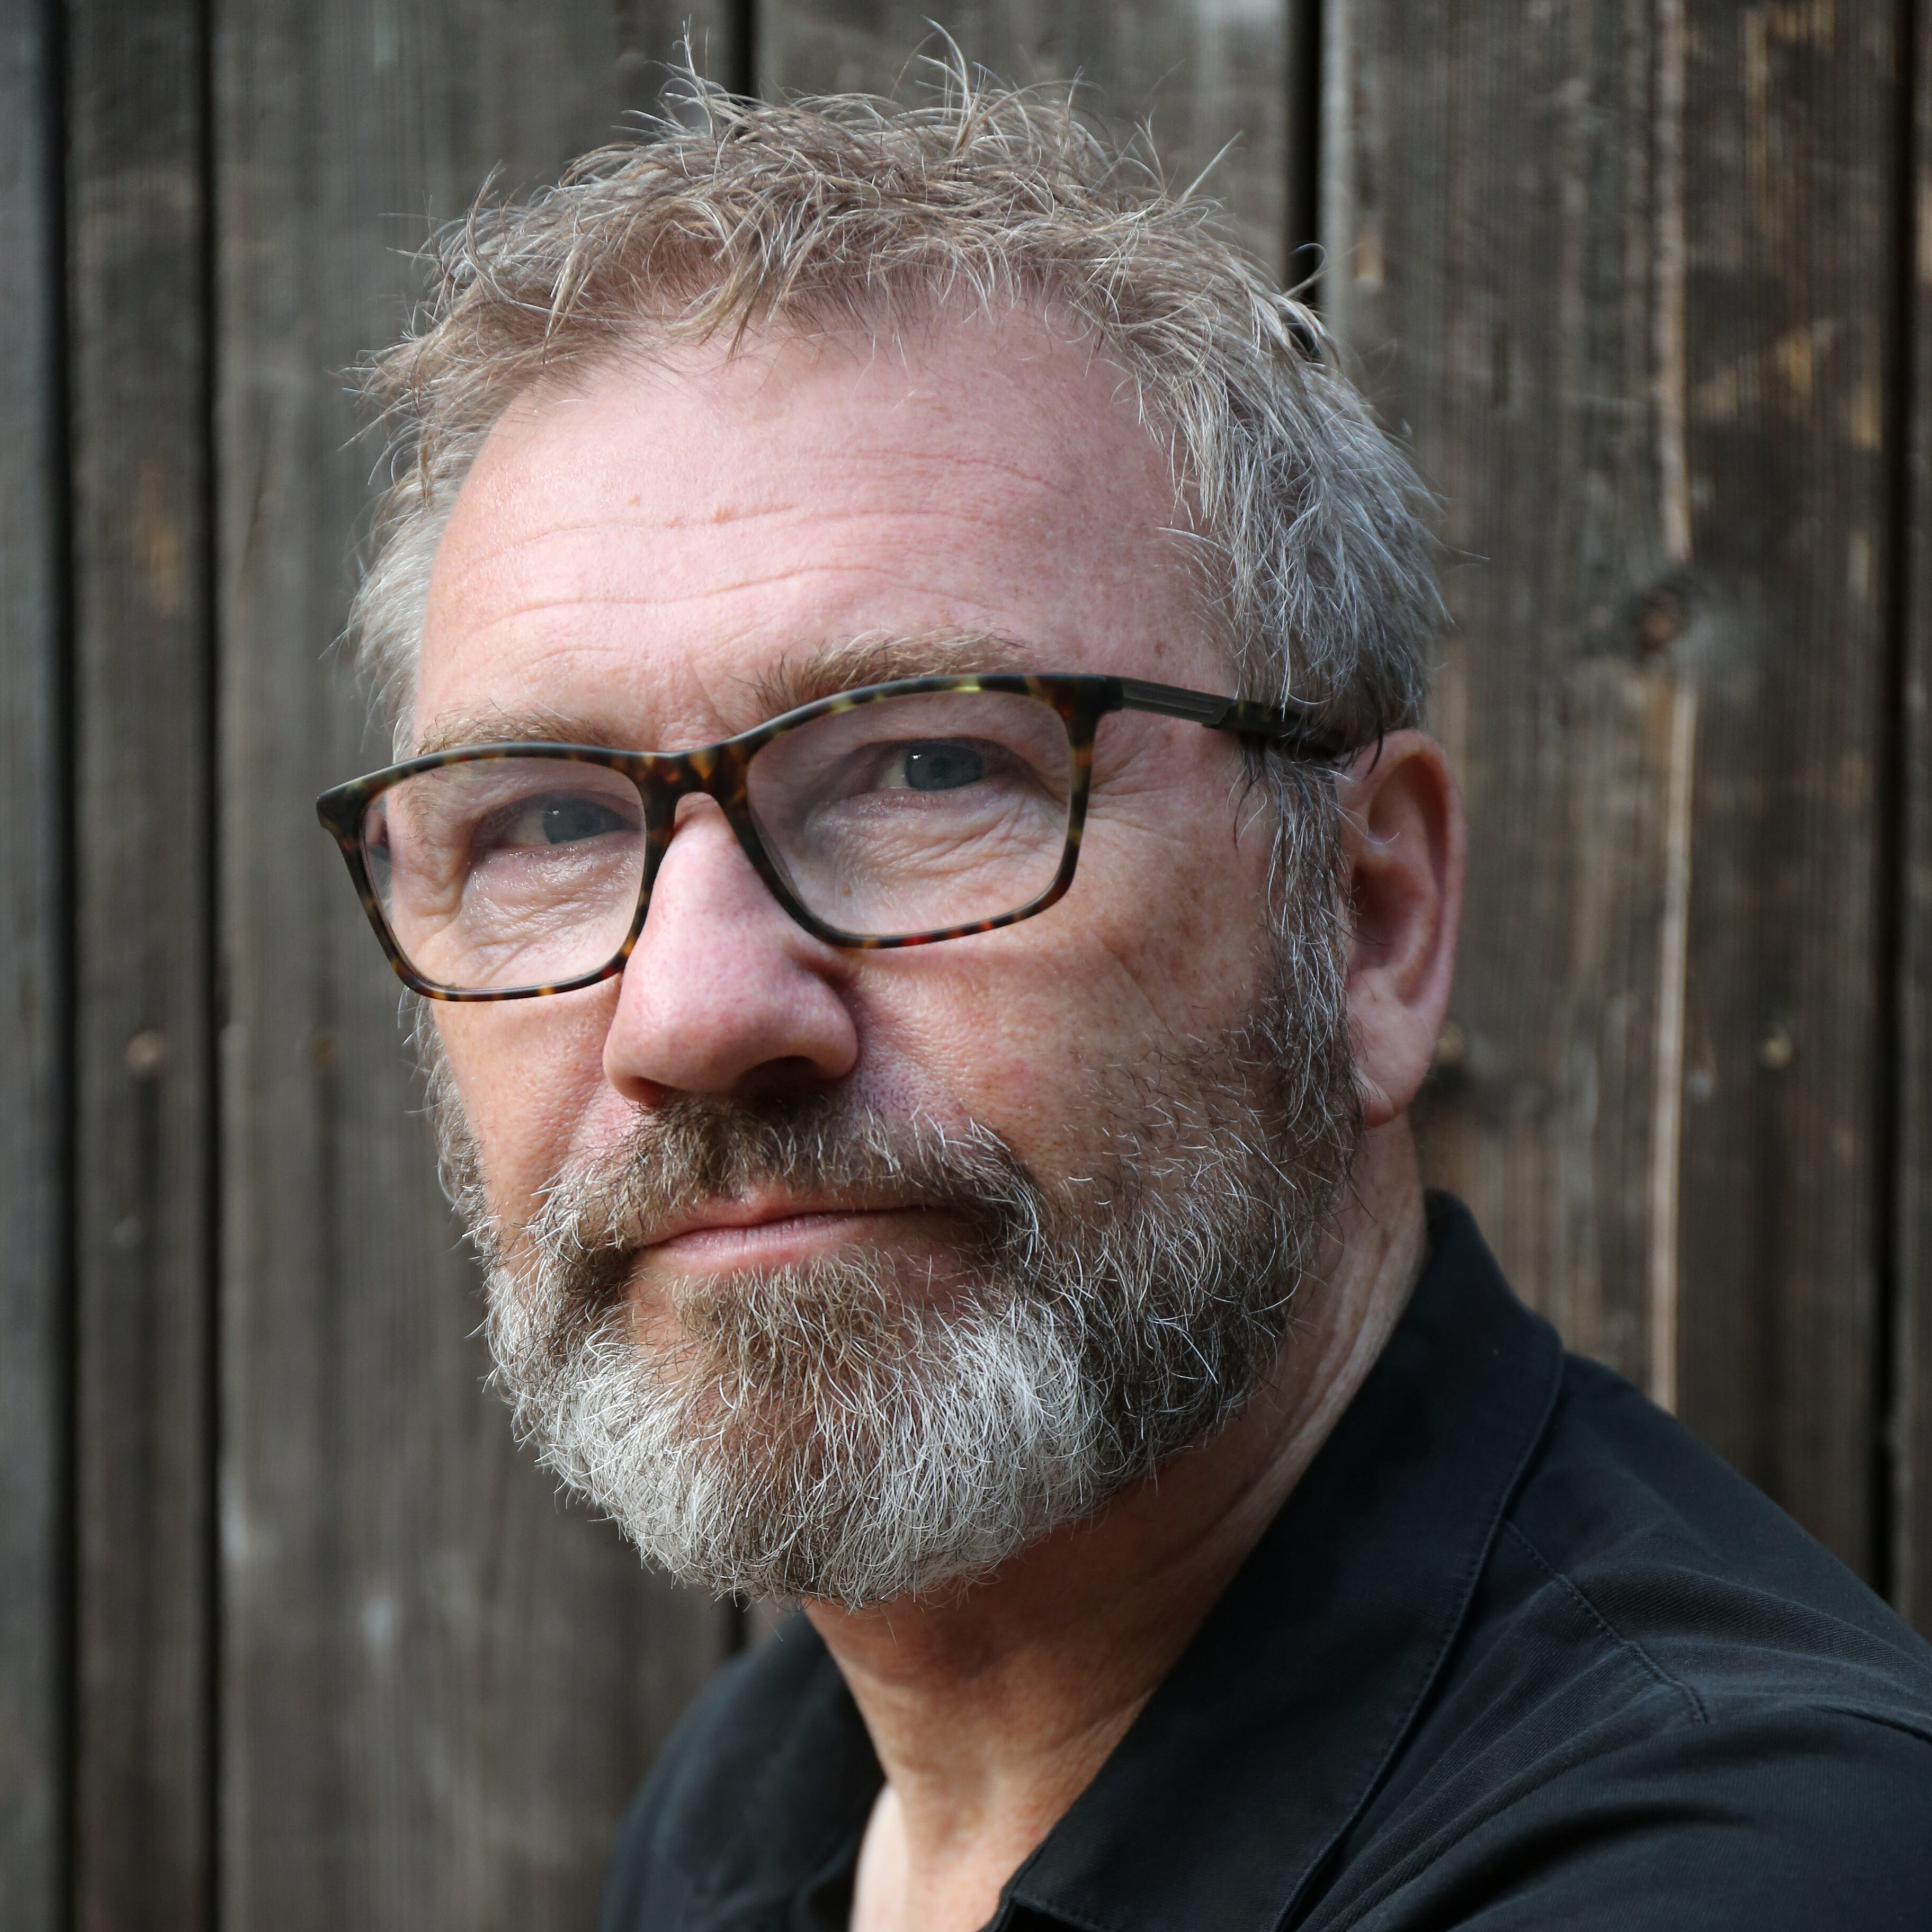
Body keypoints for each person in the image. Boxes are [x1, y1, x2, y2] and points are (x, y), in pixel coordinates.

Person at [317, 68, 1932, 1932]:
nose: (690, 1013)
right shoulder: (773, 1793)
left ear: (1369, 917)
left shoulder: (1743, 1868)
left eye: (930, 773)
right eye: (544, 821)